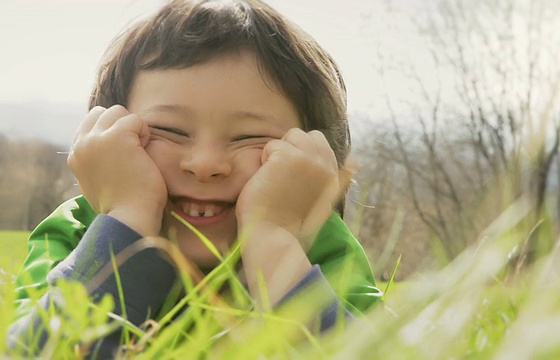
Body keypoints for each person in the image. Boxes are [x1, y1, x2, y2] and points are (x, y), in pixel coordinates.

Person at [8, 0, 381, 357]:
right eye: (169, 129)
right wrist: (128, 219)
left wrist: (273, 241)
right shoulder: (76, 232)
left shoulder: (317, 244)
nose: (205, 164)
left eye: (248, 136)